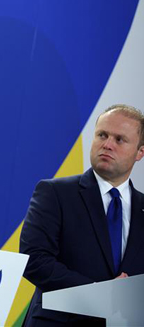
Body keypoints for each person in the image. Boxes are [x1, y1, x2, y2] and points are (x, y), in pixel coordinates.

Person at [20, 104, 144, 326]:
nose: (107, 145)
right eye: (102, 135)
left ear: (140, 152)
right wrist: (98, 293)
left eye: (119, 139)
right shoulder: (54, 192)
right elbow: (34, 259)